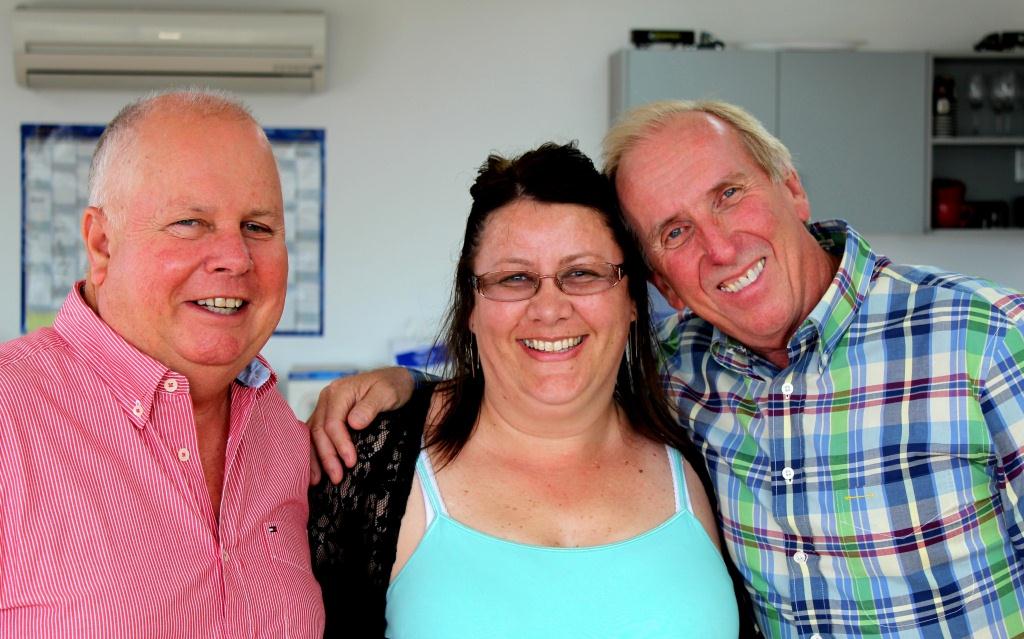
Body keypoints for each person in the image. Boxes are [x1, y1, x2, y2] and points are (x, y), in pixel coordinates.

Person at [310, 100, 1024, 639]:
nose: (720, 246)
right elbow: (546, 378)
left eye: (729, 194)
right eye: (676, 231)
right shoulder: (689, 379)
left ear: (792, 188)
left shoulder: (987, 338)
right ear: (663, 287)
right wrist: (404, 392)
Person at [308, 142, 740, 638]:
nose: (549, 309)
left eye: (582, 273)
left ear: (632, 300)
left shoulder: (707, 439)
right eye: (514, 278)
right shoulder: (369, 462)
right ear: (471, 306)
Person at [0, 90, 324, 637]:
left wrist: (404, 385)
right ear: (102, 244)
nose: (236, 258)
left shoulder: (285, 436)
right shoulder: (9, 415)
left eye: (258, 227)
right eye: (190, 222)